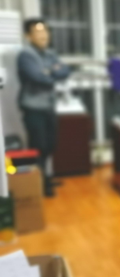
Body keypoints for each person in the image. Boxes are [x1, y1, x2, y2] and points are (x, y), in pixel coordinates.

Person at [17, 19, 71, 197]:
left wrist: (49, 72)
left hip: (48, 106)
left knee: (50, 144)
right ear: (28, 36)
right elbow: (38, 78)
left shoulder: (50, 53)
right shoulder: (25, 55)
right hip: (33, 107)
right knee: (38, 146)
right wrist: (52, 72)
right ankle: (39, 185)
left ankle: (45, 177)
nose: (44, 35)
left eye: (46, 31)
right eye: (38, 32)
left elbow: (65, 71)